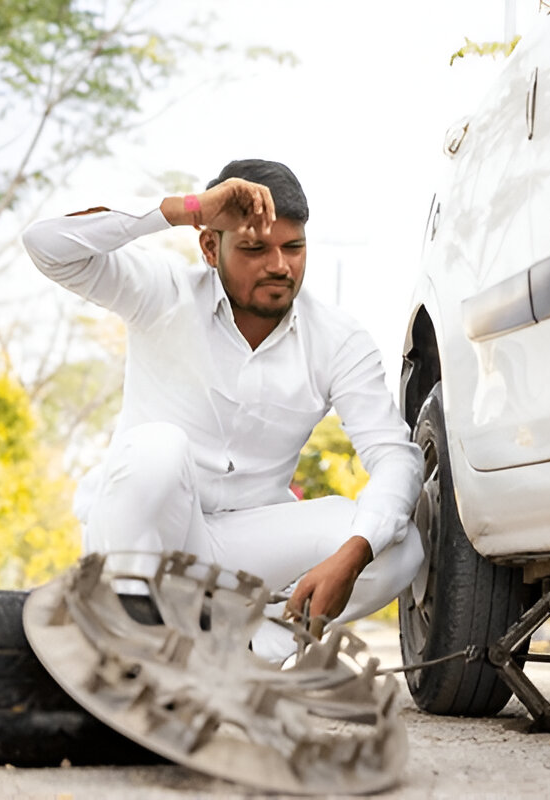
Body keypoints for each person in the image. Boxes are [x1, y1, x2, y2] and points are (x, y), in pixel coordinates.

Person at [22, 159, 423, 662]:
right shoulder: (162, 292)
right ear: (211, 247)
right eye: (255, 248)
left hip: (246, 545)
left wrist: (353, 553)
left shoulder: (338, 339)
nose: (279, 265)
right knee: (157, 447)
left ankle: (247, 654)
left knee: (397, 544)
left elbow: (395, 457)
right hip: (145, 537)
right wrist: (187, 209)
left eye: (293, 248)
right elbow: (46, 245)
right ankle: (125, 636)